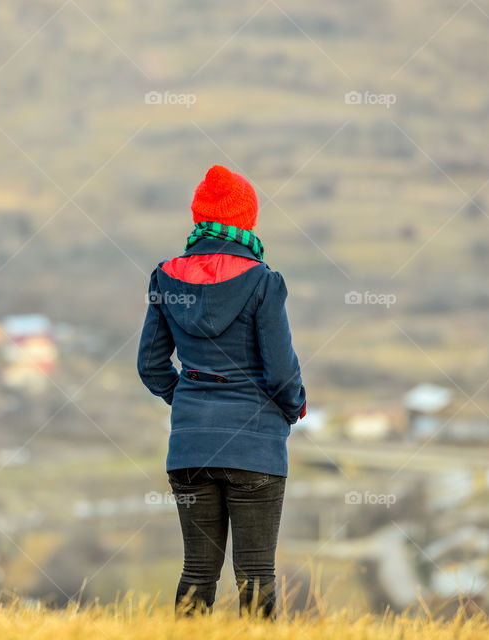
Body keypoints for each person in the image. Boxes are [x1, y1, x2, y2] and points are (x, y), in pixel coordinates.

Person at [137, 164, 306, 618]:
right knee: (256, 575)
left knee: (197, 572)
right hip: (255, 447)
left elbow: (151, 366)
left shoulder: (165, 277)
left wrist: (190, 400)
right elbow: (282, 373)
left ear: (200, 219)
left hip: (189, 447)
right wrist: (291, 411)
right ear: (246, 220)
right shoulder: (263, 282)